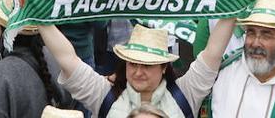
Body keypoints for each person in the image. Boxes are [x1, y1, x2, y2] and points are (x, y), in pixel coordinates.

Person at [39, 16, 236, 118]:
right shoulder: (103, 94)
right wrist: (39, 17)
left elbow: (213, 53)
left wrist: (235, 1)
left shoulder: (186, 92)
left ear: (164, 68)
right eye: (132, 63)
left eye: (147, 65)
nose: (138, 72)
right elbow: (67, 59)